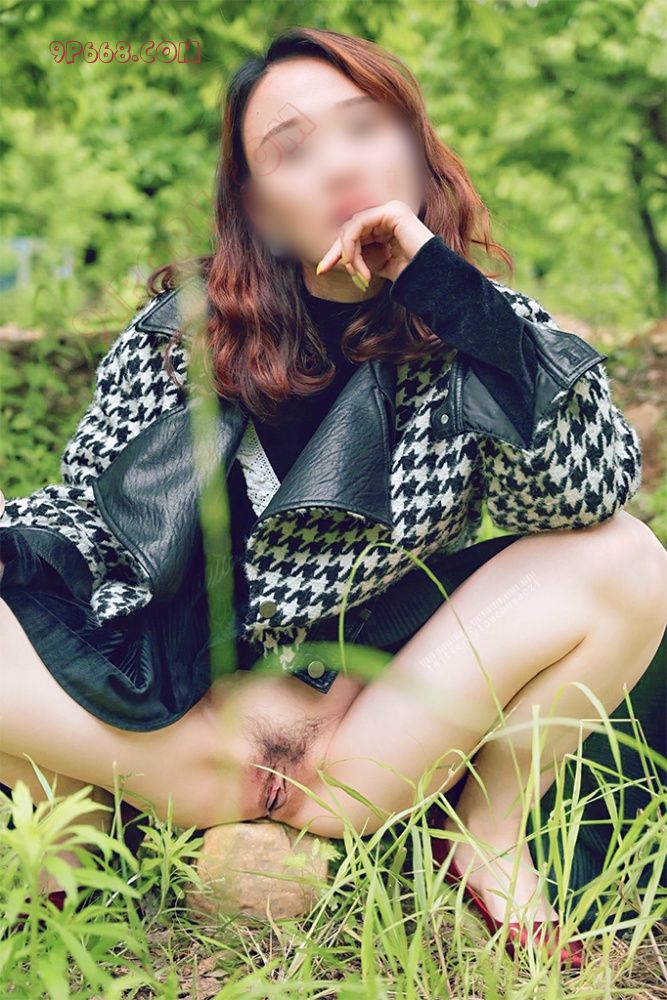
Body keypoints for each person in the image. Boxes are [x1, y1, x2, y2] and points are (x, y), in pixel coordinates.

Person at [1, 27, 666, 965]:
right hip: (185, 736)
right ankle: (73, 835)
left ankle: (486, 835)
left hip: (372, 742)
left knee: (627, 557)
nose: (340, 164)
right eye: (292, 149)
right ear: (255, 205)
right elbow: (92, 519)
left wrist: (446, 293)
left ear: (416, 152)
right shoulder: (177, 335)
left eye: (364, 126)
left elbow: (585, 495)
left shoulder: (481, 325)